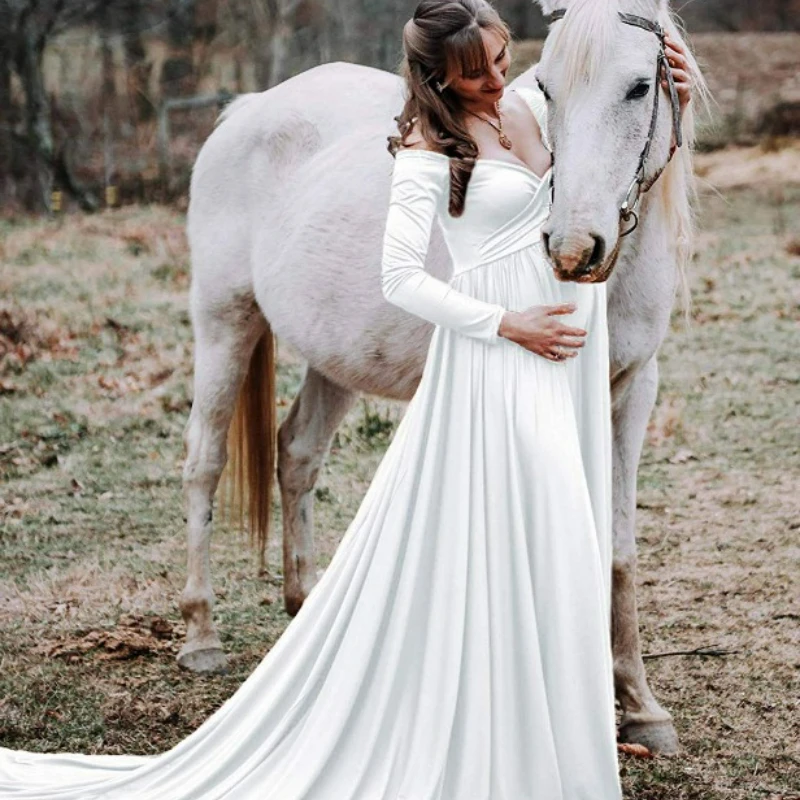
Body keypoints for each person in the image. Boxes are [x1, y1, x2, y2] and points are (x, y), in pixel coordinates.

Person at [0, 1, 692, 797]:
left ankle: (545, 699)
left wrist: (667, 79)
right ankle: (204, 593)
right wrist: (507, 323)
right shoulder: (428, 149)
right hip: (489, 355)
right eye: (483, 72)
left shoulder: (527, 113)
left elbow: (605, 112)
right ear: (442, 80)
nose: (506, 82)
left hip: (527, 357)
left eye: (508, 62)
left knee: (539, 528)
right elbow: (400, 279)